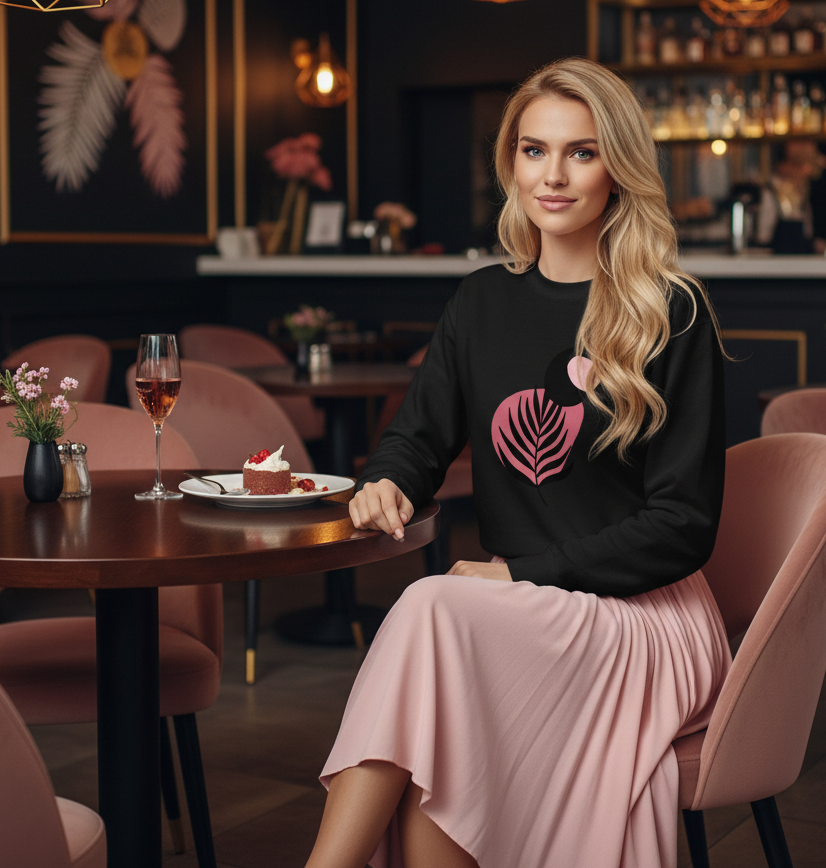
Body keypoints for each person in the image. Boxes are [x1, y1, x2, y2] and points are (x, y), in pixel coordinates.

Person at [306, 57, 731, 868]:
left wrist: (521, 575)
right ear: (511, 165)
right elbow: (417, 436)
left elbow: (684, 526)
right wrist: (386, 480)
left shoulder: (670, 312)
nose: (555, 175)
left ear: (619, 166)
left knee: (433, 611)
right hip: (518, 610)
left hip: (641, 617)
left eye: (582, 151)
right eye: (535, 151)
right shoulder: (481, 300)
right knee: (442, 684)